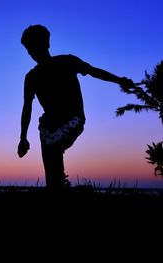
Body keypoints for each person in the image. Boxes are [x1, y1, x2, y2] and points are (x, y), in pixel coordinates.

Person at [17, 24, 134, 190]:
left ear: (47, 44)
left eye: (34, 46)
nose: (32, 52)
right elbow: (27, 107)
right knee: (52, 172)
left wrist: (120, 80)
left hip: (73, 119)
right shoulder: (31, 77)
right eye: (29, 49)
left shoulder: (67, 61)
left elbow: (94, 71)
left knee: (54, 149)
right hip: (47, 126)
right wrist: (23, 138)